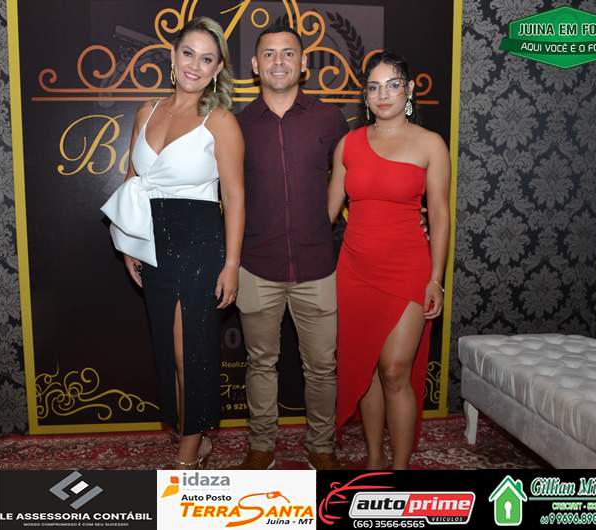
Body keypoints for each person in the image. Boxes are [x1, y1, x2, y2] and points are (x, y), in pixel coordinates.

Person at [101, 17, 245, 469]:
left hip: (200, 242)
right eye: (188, 54)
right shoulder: (146, 112)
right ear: (172, 56)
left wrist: (231, 264)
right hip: (152, 242)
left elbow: (234, 196)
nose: (194, 65)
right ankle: (195, 436)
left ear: (218, 69)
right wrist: (129, 243)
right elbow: (132, 179)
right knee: (170, 350)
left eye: (207, 59)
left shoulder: (220, 121)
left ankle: (187, 450)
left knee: (190, 351)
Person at [232, 25, 349, 470]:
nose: (278, 61)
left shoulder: (330, 119)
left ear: (302, 64)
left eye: (287, 53)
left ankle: (321, 446)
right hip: (256, 265)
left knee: (322, 366)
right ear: (254, 64)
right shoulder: (237, 124)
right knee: (261, 362)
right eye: (269, 53)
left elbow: (352, 177)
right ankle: (261, 444)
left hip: (317, 266)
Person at [328, 51, 450, 470]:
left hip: (408, 270)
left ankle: (399, 468)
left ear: (409, 90)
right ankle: (374, 458)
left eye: (393, 85)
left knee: (395, 370)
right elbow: (327, 213)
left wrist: (436, 278)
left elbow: (440, 214)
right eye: (374, 87)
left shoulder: (430, 144)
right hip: (355, 270)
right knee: (365, 369)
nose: (383, 95)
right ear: (365, 94)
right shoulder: (348, 145)